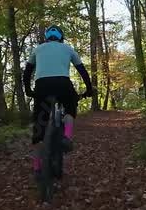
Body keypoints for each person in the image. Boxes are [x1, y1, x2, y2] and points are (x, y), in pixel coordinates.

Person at [21, 25, 93, 177]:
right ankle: (67, 136)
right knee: (70, 106)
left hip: (42, 86)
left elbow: (27, 72)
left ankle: (37, 167)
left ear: (47, 37)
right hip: (63, 84)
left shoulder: (38, 49)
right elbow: (82, 70)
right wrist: (89, 89)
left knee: (39, 128)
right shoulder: (68, 49)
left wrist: (28, 90)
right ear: (61, 37)